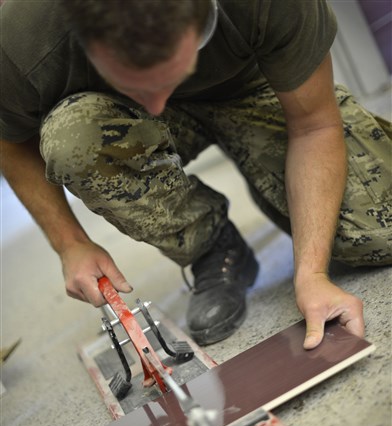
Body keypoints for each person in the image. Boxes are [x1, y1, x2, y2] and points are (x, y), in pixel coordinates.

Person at [1, 0, 390, 349]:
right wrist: (69, 244)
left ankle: (271, 180)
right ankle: (214, 246)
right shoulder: (20, 36)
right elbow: (9, 139)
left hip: (256, 84)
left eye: (170, 75)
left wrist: (313, 273)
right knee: (74, 140)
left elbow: (314, 126)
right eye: (135, 81)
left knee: (377, 235)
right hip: (118, 119)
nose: (158, 101)